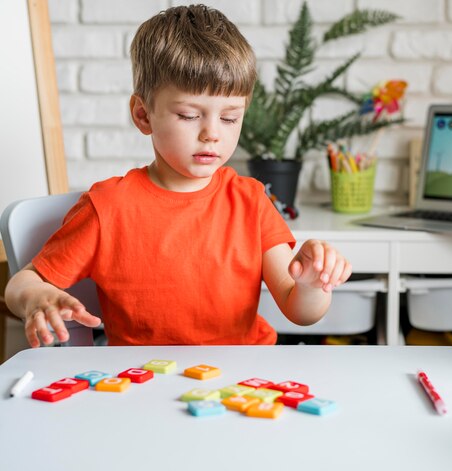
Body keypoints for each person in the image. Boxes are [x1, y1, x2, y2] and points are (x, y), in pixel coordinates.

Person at [4, 5, 351, 348]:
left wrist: (311, 284)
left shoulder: (250, 201)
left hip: (242, 382)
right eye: (188, 115)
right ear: (143, 115)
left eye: (230, 118)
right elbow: (21, 283)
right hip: (142, 380)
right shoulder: (107, 208)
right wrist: (37, 297)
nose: (212, 134)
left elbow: (301, 312)